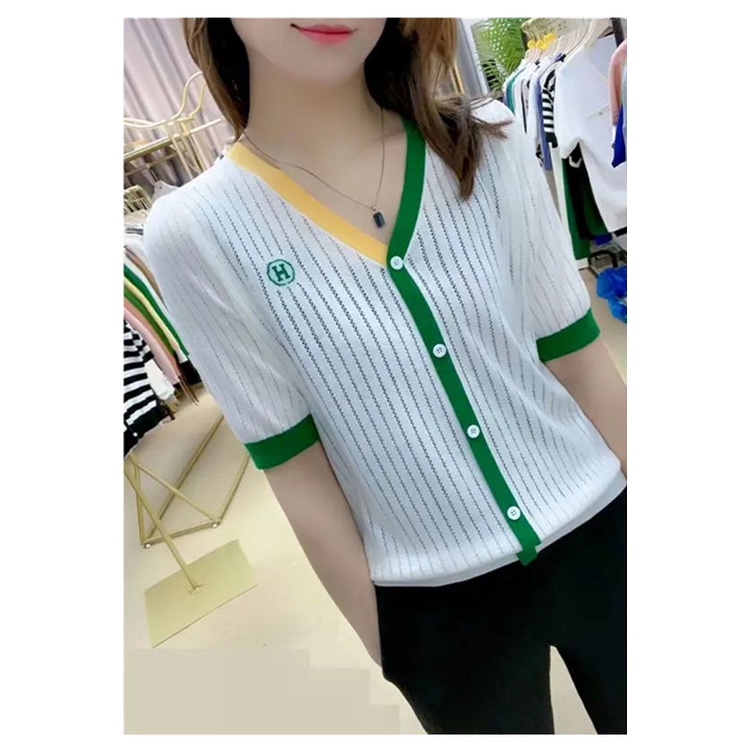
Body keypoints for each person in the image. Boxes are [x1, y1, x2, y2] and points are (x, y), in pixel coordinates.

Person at [144, 18, 627, 735]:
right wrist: (392, 647)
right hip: (431, 604)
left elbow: (580, 360)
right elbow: (294, 464)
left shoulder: (486, 143)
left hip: (608, 531)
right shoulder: (196, 232)